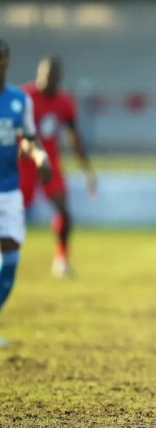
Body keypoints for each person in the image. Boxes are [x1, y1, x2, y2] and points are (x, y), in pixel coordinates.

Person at [19, 56, 96, 279]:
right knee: (10, 212)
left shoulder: (64, 103)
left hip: (50, 163)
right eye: (45, 74)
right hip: (22, 162)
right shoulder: (25, 97)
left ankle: (61, 261)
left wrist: (87, 169)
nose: (48, 79)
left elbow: (73, 137)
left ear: (59, 78)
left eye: (53, 75)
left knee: (63, 210)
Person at [0, 39, 52, 347]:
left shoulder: (20, 101)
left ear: (7, 60)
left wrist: (39, 156)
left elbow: (29, 139)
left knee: (11, 261)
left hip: (8, 192)